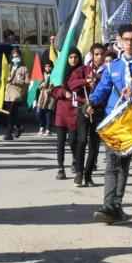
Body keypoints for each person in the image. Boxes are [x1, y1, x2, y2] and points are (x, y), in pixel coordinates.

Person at [87, 24, 132, 223]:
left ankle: (116, 204)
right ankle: (108, 205)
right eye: (125, 39)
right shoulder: (113, 67)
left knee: (123, 164)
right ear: (118, 42)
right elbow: (103, 89)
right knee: (111, 163)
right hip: (114, 121)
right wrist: (92, 102)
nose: (129, 43)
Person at [72, 43, 106, 187]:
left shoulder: (107, 71)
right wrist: (85, 81)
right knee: (81, 140)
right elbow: (71, 84)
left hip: (98, 110)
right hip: (83, 108)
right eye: (96, 54)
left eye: (102, 54)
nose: (99, 57)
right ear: (92, 55)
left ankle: (88, 174)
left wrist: (98, 79)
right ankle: (79, 172)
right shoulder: (83, 70)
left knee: (94, 144)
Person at [51, 49, 83, 180]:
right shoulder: (61, 72)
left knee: (73, 140)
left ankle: (76, 161)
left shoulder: (82, 71)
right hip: (61, 113)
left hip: (75, 112)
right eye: (70, 57)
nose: (73, 60)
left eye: (75, 57)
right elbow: (53, 90)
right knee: (60, 142)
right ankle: (60, 168)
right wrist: (63, 93)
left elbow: (86, 91)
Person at [3, 46, 29, 140]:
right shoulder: (9, 66)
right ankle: (19, 126)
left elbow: (26, 82)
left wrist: (23, 92)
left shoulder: (24, 68)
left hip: (17, 92)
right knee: (11, 113)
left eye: (17, 56)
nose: (15, 58)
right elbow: (5, 78)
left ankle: (8, 133)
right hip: (8, 92)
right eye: (14, 56)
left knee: (10, 113)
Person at [34, 60, 55, 136]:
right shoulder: (42, 75)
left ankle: (48, 129)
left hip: (51, 96)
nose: (47, 68)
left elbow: (55, 84)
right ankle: (41, 127)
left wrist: (51, 87)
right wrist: (41, 84)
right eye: (46, 66)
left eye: (49, 66)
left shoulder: (54, 75)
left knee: (48, 113)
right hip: (42, 95)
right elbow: (37, 85)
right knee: (39, 112)